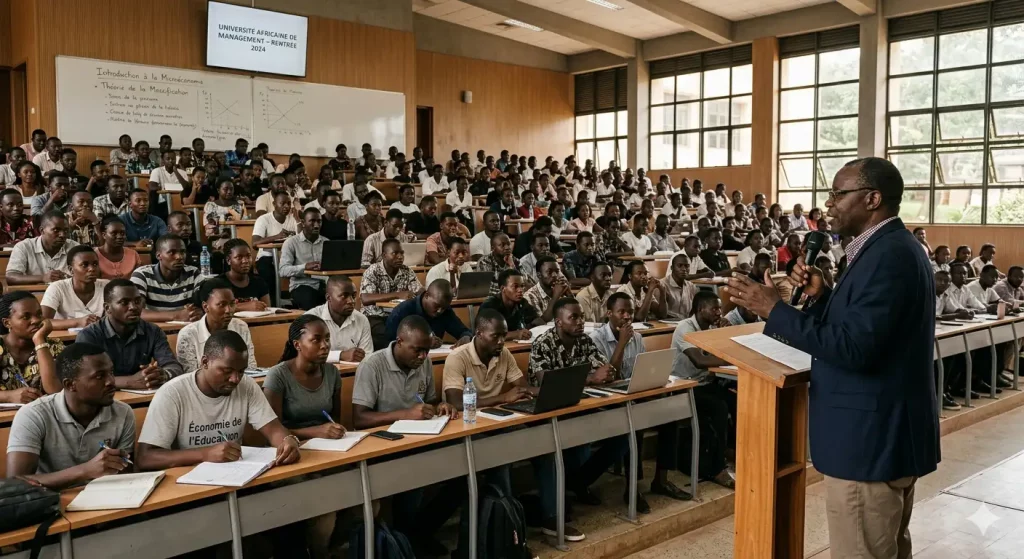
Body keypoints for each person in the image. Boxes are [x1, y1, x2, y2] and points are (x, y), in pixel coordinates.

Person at [724, 157, 939, 558]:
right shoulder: (891, 248)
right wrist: (824, 299)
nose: (828, 203)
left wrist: (776, 311)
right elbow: (863, 330)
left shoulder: (887, 255)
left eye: (839, 194)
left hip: (868, 443)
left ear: (872, 198)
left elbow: (854, 350)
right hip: (885, 434)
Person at [351, 315, 459, 554]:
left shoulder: (424, 363)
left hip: (419, 437)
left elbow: (428, 400)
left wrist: (439, 405)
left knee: (462, 470)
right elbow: (359, 418)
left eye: (427, 351)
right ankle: (407, 540)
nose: (422, 356)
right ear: (399, 341)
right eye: (417, 350)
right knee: (414, 473)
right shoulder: (372, 365)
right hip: (382, 442)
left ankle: (418, 534)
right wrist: (405, 414)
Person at [528, 297, 624, 539]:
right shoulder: (543, 344)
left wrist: (605, 374)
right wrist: (592, 378)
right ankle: (553, 515)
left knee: (621, 435)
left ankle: (576, 483)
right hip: (547, 414)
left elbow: (606, 371)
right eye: (574, 318)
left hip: (578, 407)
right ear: (559, 322)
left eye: (582, 317)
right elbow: (548, 384)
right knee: (555, 451)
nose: (581, 322)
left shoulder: (584, 341)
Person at [136, 330, 300, 471]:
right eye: (227, 371)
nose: (235, 379)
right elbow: (145, 458)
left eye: (241, 371)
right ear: (205, 362)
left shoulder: (246, 386)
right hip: (188, 481)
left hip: (237, 474)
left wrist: (288, 441)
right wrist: (204, 454)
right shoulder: (172, 394)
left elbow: (274, 430)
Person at [590, 293, 692, 502]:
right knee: (635, 420)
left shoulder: (636, 337)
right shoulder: (596, 339)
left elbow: (642, 369)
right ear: (609, 313)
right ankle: (632, 487)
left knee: (670, 415)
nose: (627, 317)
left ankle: (661, 480)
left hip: (632, 393)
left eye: (630, 312)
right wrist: (621, 343)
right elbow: (608, 377)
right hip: (606, 399)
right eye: (622, 312)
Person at [262, 314, 343, 558]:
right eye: (316, 339)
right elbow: (272, 428)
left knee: (370, 501)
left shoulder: (332, 373)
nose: (325, 345)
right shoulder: (278, 375)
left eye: (327, 339)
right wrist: (314, 431)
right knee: (324, 508)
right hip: (289, 454)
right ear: (298, 344)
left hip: (326, 451)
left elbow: (334, 418)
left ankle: (325, 547)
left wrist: (335, 429)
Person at [5, 342, 135, 489]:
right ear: (69, 385)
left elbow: (126, 473)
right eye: (99, 376)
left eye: (111, 372)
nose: (111, 382)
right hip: (51, 502)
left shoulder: (123, 412)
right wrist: (85, 471)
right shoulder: (33, 415)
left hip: (105, 498)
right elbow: (16, 482)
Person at [74, 279, 182, 388]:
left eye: (137, 301)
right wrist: (130, 381)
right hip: (102, 401)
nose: (133, 307)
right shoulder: (89, 335)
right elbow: (85, 378)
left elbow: (174, 367)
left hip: (144, 397)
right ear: (107, 308)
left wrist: (163, 375)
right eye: (124, 303)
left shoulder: (153, 331)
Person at [175, 279, 258, 374]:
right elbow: (191, 377)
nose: (228, 310)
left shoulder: (241, 327)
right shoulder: (188, 335)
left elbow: (250, 368)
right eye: (222, 305)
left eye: (232, 304)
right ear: (205, 307)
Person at [360, 239, 424, 349]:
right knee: (389, 335)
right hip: (375, 316)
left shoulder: (407, 271)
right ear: (384, 255)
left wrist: (422, 293)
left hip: (399, 316)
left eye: (402, 253)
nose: (400, 257)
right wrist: (398, 294)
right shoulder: (373, 271)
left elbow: (419, 291)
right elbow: (365, 298)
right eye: (395, 253)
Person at [0, 291, 63, 400]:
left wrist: (39, 340)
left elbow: (55, 390)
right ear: (7, 323)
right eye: (26, 317)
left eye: (39, 314)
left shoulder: (54, 346)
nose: (36, 320)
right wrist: (8, 396)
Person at [384, 279, 472, 346]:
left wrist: (466, 336)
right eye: (436, 306)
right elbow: (391, 345)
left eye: (444, 308)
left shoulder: (445, 311)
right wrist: (423, 342)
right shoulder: (402, 311)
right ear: (426, 295)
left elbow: (463, 331)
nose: (439, 311)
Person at [305, 276, 373, 360]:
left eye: (354, 296)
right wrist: (341, 355)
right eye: (344, 296)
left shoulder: (362, 319)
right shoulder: (311, 319)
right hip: (318, 372)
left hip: (353, 372)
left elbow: (367, 356)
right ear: (328, 298)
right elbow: (307, 353)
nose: (351, 301)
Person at [40, 246, 107, 330]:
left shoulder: (107, 286)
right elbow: (43, 322)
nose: (91, 269)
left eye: (95, 264)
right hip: (66, 341)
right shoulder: (57, 288)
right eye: (84, 265)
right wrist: (78, 322)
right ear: (71, 270)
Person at [7, 211, 77, 285]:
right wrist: (42, 278)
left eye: (66, 231)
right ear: (42, 231)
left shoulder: (75, 248)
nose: (62, 235)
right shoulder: (24, 247)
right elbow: (10, 277)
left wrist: (69, 279)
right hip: (32, 295)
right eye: (56, 230)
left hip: (64, 294)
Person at [281, 209, 327, 310]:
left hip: (324, 285)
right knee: (311, 299)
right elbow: (283, 270)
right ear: (303, 223)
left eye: (319, 221)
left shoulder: (326, 242)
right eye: (312, 221)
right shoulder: (291, 243)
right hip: (301, 285)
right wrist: (304, 267)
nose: (316, 225)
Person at [479, 269, 542, 341]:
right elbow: (486, 334)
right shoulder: (489, 305)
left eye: (522, 286)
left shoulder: (522, 302)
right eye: (515, 286)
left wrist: (542, 327)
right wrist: (515, 334)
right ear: (503, 289)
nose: (520, 290)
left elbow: (536, 320)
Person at [218, 239, 271, 311]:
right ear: (228, 260)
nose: (245, 261)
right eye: (239, 257)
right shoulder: (219, 284)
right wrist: (244, 307)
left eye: (248, 256)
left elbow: (267, 310)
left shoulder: (259, 282)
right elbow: (217, 309)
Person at [524, 256, 570, 322]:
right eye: (549, 272)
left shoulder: (561, 289)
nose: (554, 275)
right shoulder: (530, 296)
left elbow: (575, 315)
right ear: (539, 275)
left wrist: (569, 293)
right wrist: (556, 296)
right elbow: (541, 323)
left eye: (557, 271)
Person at [661, 253, 700, 320]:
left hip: (686, 323)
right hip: (667, 323)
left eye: (687, 266)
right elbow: (660, 313)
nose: (684, 269)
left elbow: (694, 309)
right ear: (672, 268)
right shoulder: (662, 285)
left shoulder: (691, 286)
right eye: (680, 266)